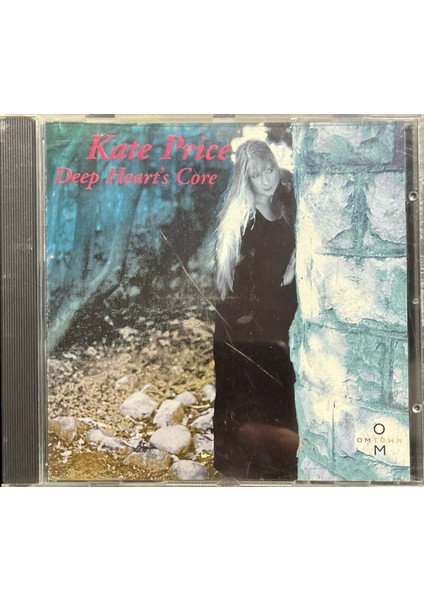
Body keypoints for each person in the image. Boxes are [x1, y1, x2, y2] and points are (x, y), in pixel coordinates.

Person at [213, 139, 299, 480]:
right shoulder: (245, 220)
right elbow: (244, 288)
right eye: (256, 175)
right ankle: (246, 473)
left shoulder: (281, 203)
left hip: (272, 318)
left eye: (270, 170)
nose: (266, 180)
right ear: (244, 180)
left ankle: (272, 470)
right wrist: (288, 275)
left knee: (274, 397)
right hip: (245, 327)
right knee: (249, 399)